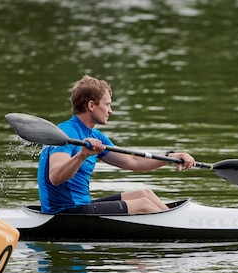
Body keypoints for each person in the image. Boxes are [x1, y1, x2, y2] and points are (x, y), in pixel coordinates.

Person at [37, 75, 195, 215]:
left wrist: (170, 157)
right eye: (107, 105)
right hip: (64, 213)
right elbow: (55, 177)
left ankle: (176, 222)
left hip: (81, 206)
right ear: (91, 106)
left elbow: (132, 162)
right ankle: (180, 234)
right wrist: (82, 155)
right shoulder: (66, 134)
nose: (110, 111)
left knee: (145, 194)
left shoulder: (95, 136)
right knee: (144, 205)